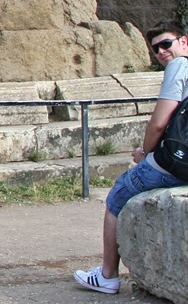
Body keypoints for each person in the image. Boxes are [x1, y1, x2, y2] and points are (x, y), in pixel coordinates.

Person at [74, 18, 188, 295]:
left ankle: (108, 275)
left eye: (166, 44)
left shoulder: (180, 66)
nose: (161, 52)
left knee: (118, 193)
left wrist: (145, 153)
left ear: (184, 42)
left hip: (175, 160)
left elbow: (160, 122)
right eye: (156, 49)